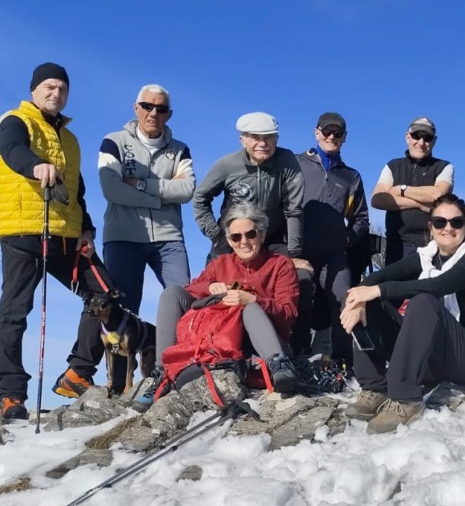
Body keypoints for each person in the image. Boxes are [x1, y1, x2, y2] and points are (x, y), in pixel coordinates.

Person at [0, 62, 126, 420]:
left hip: (67, 235)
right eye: (49, 87)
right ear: (34, 90)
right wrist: (34, 165)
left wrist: (88, 228)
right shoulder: (14, 121)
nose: (56, 93)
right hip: (23, 233)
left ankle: (77, 373)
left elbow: (77, 190)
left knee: (104, 294)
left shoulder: (70, 139)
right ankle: (11, 394)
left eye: (62, 88)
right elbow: (10, 148)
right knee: (15, 313)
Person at [341, 194, 465, 433]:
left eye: (456, 222)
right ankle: (375, 387)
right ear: (430, 227)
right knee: (363, 299)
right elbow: (384, 275)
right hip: (433, 354)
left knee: (423, 300)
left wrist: (376, 290)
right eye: (440, 222)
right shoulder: (427, 256)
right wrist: (359, 296)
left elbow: (439, 286)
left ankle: (405, 399)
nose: (448, 228)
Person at [148, 203, 300, 407]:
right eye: (236, 237)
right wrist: (209, 287)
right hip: (223, 344)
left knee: (249, 306)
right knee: (171, 293)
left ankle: (279, 365)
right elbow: (190, 290)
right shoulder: (219, 265)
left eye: (250, 234)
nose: (244, 242)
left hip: (263, 344)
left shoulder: (280, 265)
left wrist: (254, 300)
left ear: (262, 235)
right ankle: (162, 373)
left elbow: (289, 314)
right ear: (229, 240)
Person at [98, 84, 195, 318]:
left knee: (185, 303)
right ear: (136, 108)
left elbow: (186, 190)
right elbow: (112, 189)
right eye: (147, 106)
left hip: (169, 239)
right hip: (123, 238)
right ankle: (121, 356)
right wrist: (159, 199)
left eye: (161, 109)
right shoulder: (114, 142)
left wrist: (141, 184)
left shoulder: (180, 149)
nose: (153, 113)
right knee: (122, 311)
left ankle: (177, 355)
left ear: (169, 115)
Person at [294, 112, 369, 359]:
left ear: (344, 137)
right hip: (298, 252)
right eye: (327, 132)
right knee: (300, 288)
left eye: (337, 133)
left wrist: (345, 239)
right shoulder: (295, 164)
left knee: (345, 295)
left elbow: (361, 219)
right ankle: (298, 353)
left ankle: (342, 361)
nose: (331, 137)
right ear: (317, 133)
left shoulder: (351, 177)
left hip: (333, 256)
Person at [193, 112, 306, 263]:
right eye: (255, 137)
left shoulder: (287, 161)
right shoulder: (227, 164)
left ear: (276, 139)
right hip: (234, 239)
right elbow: (200, 198)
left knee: (299, 274)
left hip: (273, 239)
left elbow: (294, 210)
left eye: (268, 137)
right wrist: (216, 236)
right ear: (243, 140)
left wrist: (294, 253)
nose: (263, 144)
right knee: (214, 282)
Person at [372, 117, 455, 265]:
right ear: (407, 137)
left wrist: (401, 190)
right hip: (397, 246)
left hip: (432, 246)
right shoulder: (392, 166)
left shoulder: (445, 167)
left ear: (434, 141)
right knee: (394, 288)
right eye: (417, 136)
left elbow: (439, 194)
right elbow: (378, 199)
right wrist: (419, 204)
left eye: (427, 138)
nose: (421, 143)